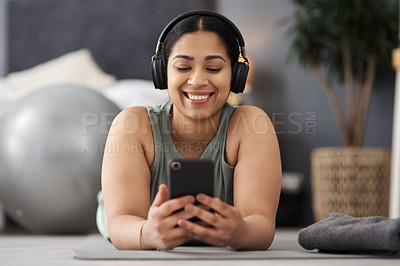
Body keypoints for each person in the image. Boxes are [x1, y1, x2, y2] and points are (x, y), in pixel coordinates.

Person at [98, 10, 281, 251]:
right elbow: (122, 223)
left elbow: (261, 226)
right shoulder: (132, 124)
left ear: (236, 75)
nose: (197, 80)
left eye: (213, 68)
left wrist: (242, 232)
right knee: (111, 209)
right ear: (163, 73)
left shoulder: (252, 124)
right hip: (126, 219)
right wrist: (147, 234)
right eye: (183, 67)